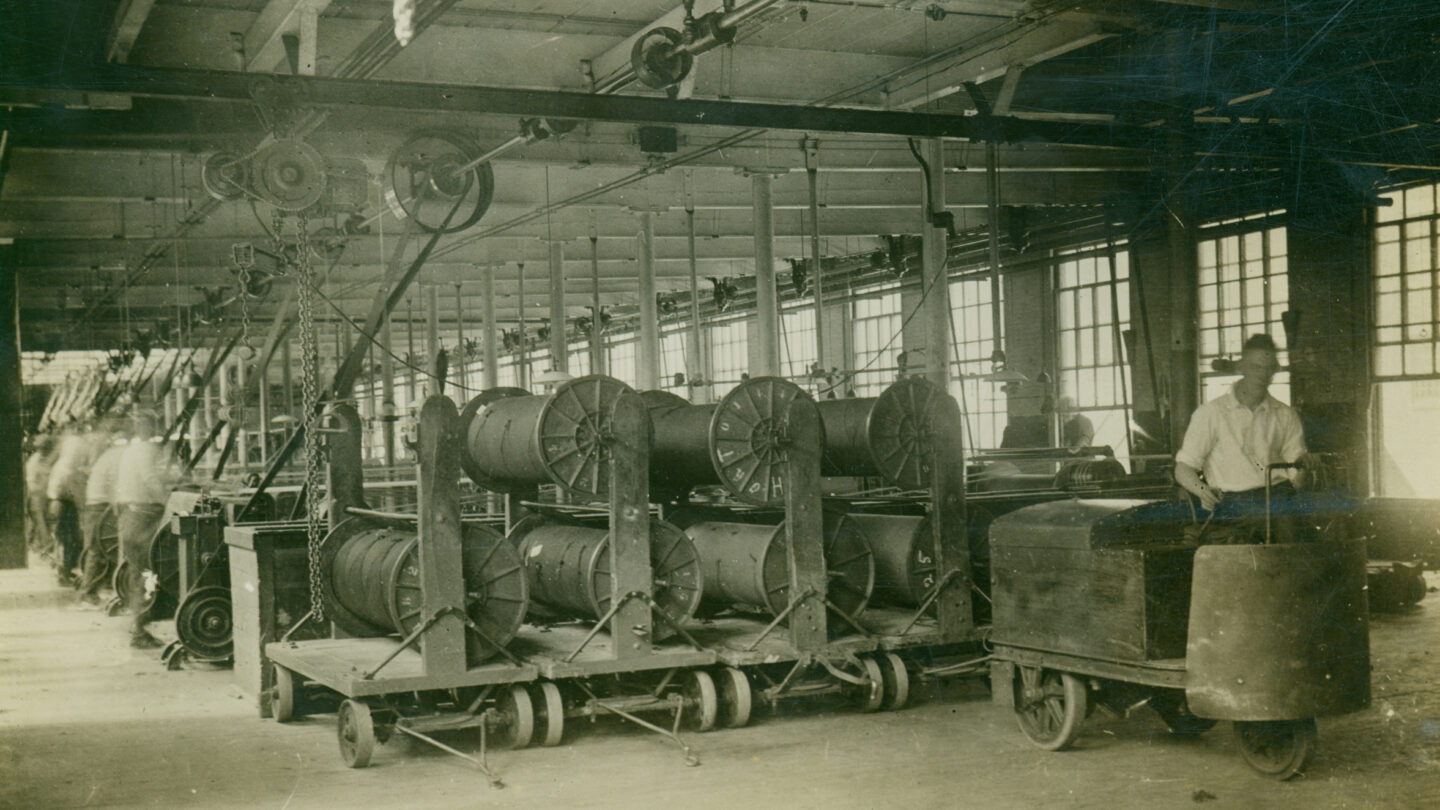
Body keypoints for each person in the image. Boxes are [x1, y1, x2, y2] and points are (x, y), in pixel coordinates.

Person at [1174, 334, 1307, 544]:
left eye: (1268, 368)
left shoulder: (1285, 414)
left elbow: (1297, 471)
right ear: (1241, 367)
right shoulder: (1212, 413)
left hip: (1281, 506)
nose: (1262, 375)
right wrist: (1202, 491)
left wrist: (1303, 470)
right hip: (1233, 509)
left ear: (1275, 370)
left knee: (1288, 566)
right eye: (1256, 367)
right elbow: (1183, 468)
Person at [113, 410, 175, 648]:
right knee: (148, 573)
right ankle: (139, 631)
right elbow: (150, 478)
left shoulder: (130, 451)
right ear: (150, 428)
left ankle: (140, 625)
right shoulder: (148, 449)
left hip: (130, 514)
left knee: (139, 573)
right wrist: (170, 502)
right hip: (145, 517)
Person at [78, 421, 127, 606]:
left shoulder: (108, 455)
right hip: (100, 507)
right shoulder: (117, 457)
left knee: (97, 551)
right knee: (97, 551)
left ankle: (94, 590)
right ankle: (88, 594)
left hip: (96, 505)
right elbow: (117, 486)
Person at [46, 424, 95, 586]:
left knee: (64, 540)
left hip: (59, 505)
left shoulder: (61, 465)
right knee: (67, 540)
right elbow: (75, 493)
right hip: (63, 506)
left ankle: (65, 572)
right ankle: (64, 573)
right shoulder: (68, 469)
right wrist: (84, 506)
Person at [23, 435, 57, 556]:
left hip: (43, 493)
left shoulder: (44, 459)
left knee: (42, 522)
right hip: (37, 495)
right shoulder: (35, 460)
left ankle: (43, 546)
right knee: (40, 521)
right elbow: (31, 480)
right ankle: (45, 546)